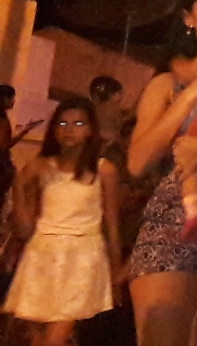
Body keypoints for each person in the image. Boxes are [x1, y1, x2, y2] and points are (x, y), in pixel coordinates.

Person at [128, 0, 197, 346]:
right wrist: (194, 91)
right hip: (175, 218)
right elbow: (138, 162)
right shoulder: (167, 83)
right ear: (188, 18)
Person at [5, 97, 121, 346]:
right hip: (42, 254)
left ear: (91, 129)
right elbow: (25, 228)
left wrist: (115, 270)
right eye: (63, 123)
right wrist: (19, 185)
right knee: (37, 337)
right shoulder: (41, 167)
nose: (69, 130)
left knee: (57, 336)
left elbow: (111, 224)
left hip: (83, 255)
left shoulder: (103, 170)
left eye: (78, 123)